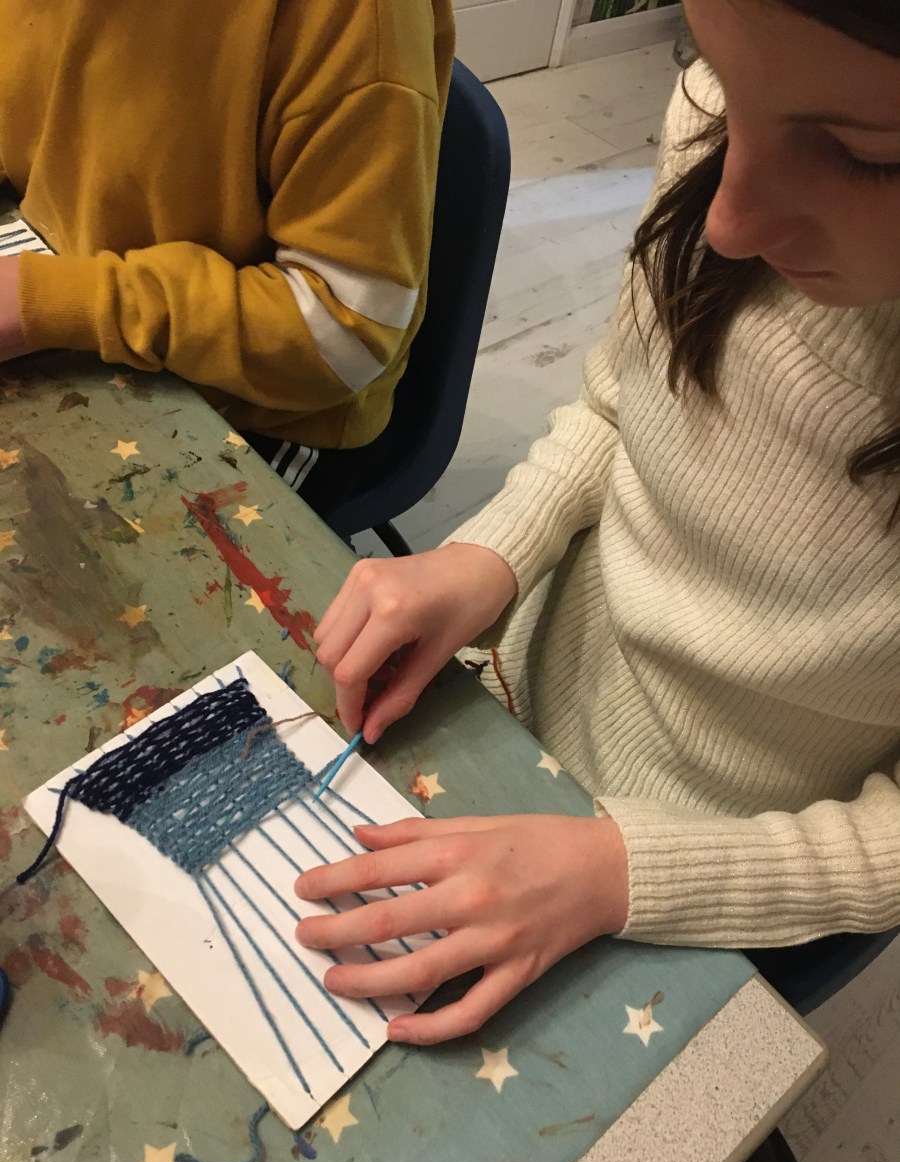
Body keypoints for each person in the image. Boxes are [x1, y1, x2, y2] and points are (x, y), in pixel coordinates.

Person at [296, 0, 900, 1046]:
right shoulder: (716, 127)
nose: (728, 223)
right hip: (520, 699)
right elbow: (621, 403)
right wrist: (493, 553)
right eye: (723, 79)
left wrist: (621, 872)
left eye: (863, 154)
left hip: (714, 864)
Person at [0, 1, 454, 515]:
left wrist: (50, 301)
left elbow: (343, 334)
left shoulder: (356, 19)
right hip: (75, 288)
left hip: (265, 408)